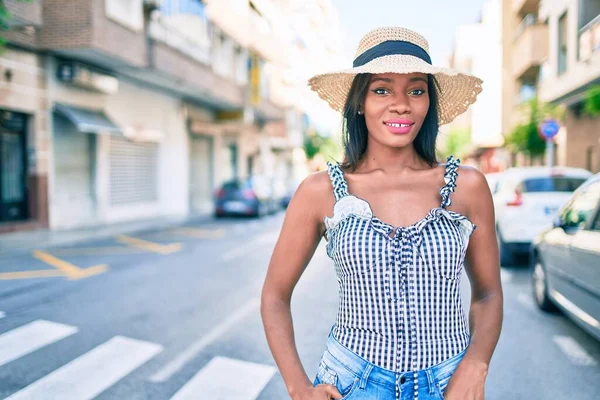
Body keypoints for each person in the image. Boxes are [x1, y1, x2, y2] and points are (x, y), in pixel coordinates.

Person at [260, 27, 503, 400]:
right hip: (352, 383)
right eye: (382, 89)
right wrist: (298, 387)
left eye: (417, 90)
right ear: (360, 102)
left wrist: (476, 365)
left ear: (429, 103)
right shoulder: (319, 191)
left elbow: (487, 293)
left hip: (450, 383)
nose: (401, 104)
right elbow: (275, 296)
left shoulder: (467, 186)